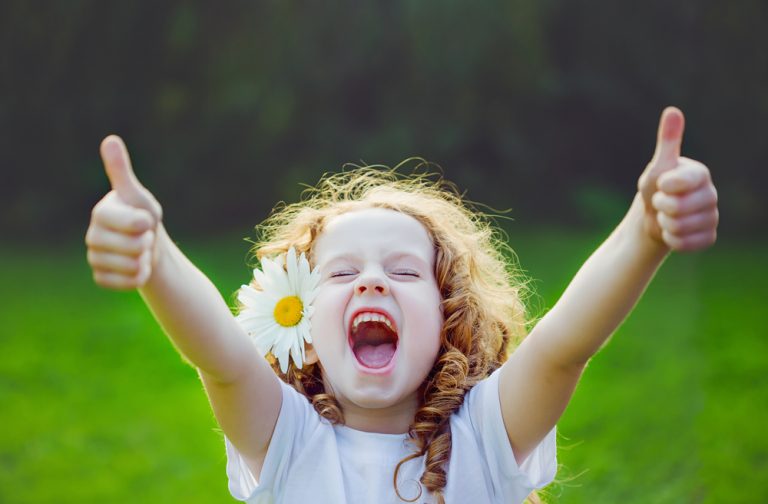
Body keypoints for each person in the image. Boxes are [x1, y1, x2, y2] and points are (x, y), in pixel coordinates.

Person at [85, 107, 718, 503]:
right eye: (341, 272)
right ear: (301, 322)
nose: (371, 282)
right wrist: (155, 257)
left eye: (405, 270)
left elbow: (563, 347)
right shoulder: (290, 444)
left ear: (449, 318)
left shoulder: (485, 440)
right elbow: (220, 356)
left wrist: (645, 233)